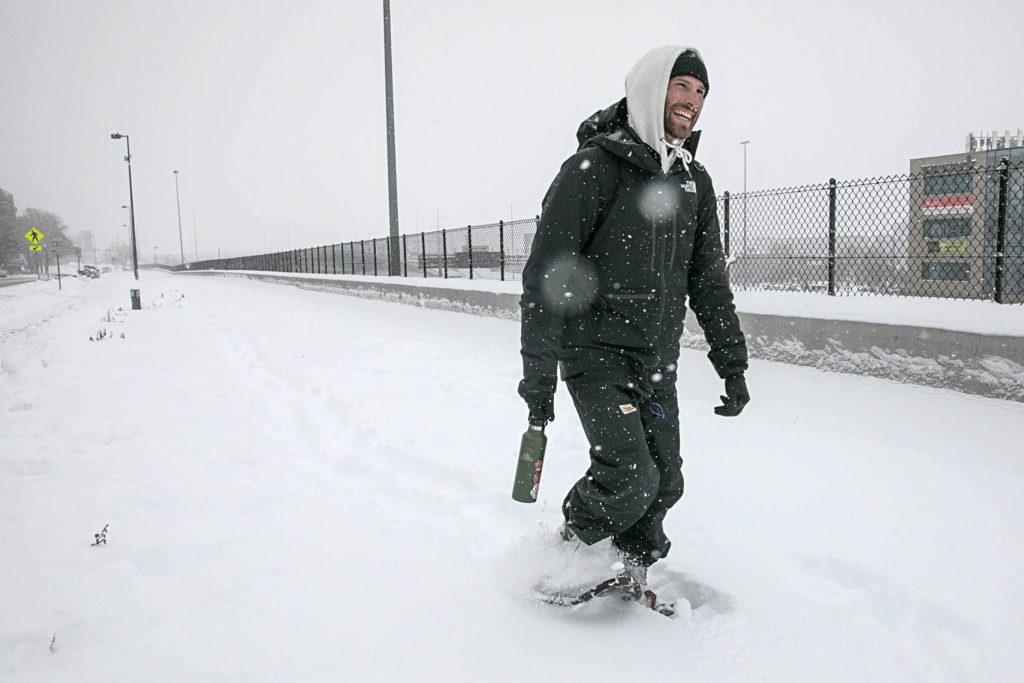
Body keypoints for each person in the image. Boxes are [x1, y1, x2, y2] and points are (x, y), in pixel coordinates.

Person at [518, 46, 750, 586]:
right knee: (629, 477)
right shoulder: (594, 168)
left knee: (666, 481)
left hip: (656, 361)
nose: (691, 101)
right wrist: (538, 374)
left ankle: (632, 571)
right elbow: (546, 277)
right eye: (681, 86)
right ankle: (566, 554)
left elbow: (709, 281)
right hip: (594, 355)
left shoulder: (695, 183)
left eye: (700, 92)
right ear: (651, 87)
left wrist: (732, 363)